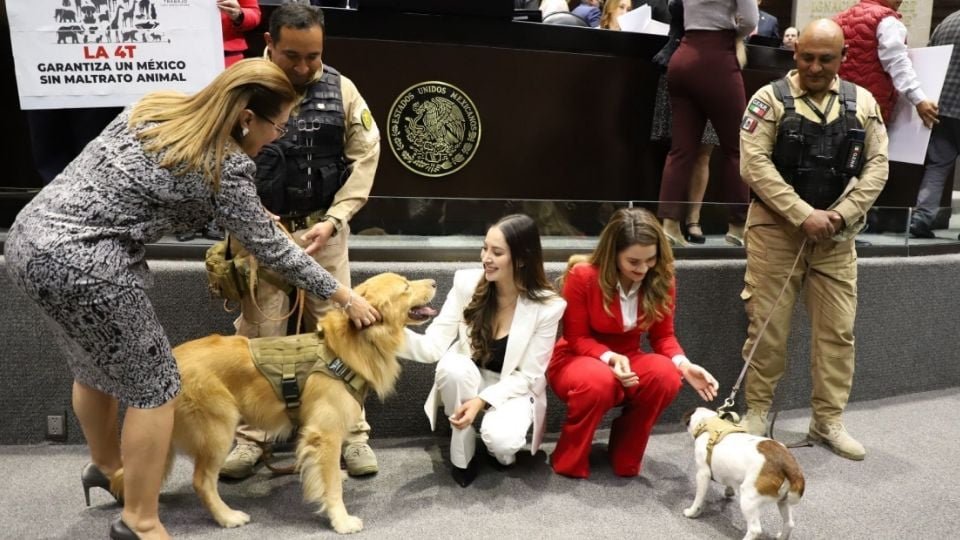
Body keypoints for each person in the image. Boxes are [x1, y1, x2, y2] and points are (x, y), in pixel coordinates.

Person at [2, 58, 380, 540]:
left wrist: (245, 211)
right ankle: (140, 520)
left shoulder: (153, 109)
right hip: (87, 264)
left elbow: (146, 186)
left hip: (28, 242)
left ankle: (106, 467)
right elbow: (272, 251)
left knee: (91, 367)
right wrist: (345, 295)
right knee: (158, 386)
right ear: (247, 117)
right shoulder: (228, 167)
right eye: (278, 125)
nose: (278, 137)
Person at [221, 3, 382, 480]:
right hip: (258, 233)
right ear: (268, 43)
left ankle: (352, 435)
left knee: (341, 336)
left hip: (322, 231)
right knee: (259, 339)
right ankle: (252, 438)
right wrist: (247, 215)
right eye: (293, 55)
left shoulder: (342, 89)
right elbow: (217, 153)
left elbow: (366, 155)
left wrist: (336, 218)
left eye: (314, 56)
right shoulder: (238, 87)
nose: (305, 67)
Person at [738, 19, 889, 460]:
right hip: (776, 234)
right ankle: (757, 413)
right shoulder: (768, 100)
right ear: (795, 54)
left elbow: (877, 166)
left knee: (837, 333)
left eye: (826, 58)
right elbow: (754, 166)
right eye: (807, 57)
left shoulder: (862, 102)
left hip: (838, 239)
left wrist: (840, 214)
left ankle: (827, 421)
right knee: (767, 330)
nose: (816, 67)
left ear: (843, 58)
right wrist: (803, 215)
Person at [547, 208, 719, 479]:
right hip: (578, 357)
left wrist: (684, 366)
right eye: (633, 261)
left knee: (666, 375)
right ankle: (569, 456)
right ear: (613, 253)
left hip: (630, 356)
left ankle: (625, 452)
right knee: (598, 381)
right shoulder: (584, 276)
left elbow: (663, 337)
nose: (644, 268)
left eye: (651, 259)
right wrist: (610, 358)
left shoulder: (662, 278)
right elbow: (576, 338)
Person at [398, 214, 566, 487]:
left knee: (503, 444)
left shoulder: (549, 307)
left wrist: (481, 402)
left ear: (522, 258)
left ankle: (496, 448)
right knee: (453, 367)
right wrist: (384, 331)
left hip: (512, 384)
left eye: (496, 252)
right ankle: (461, 456)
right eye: (484, 248)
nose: (485, 257)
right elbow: (432, 346)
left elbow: (529, 376)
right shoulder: (466, 283)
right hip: (468, 374)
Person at [656, 0, 757, 247]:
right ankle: (737, 226)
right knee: (738, 148)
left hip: (682, 57)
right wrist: (735, 29)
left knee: (680, 151)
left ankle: (669, 225)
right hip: (718, 58)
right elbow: (751, 21)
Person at [835, 0, 939, 128]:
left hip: (839, 106)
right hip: (871, 109)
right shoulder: (886, 21)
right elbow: (897, 62)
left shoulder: (840, 18)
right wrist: (919, 99)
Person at [909, 10, 960, 239]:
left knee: (937, 166)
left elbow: (930, 56)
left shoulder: (948, 20)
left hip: (942, 106)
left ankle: (921, 219)